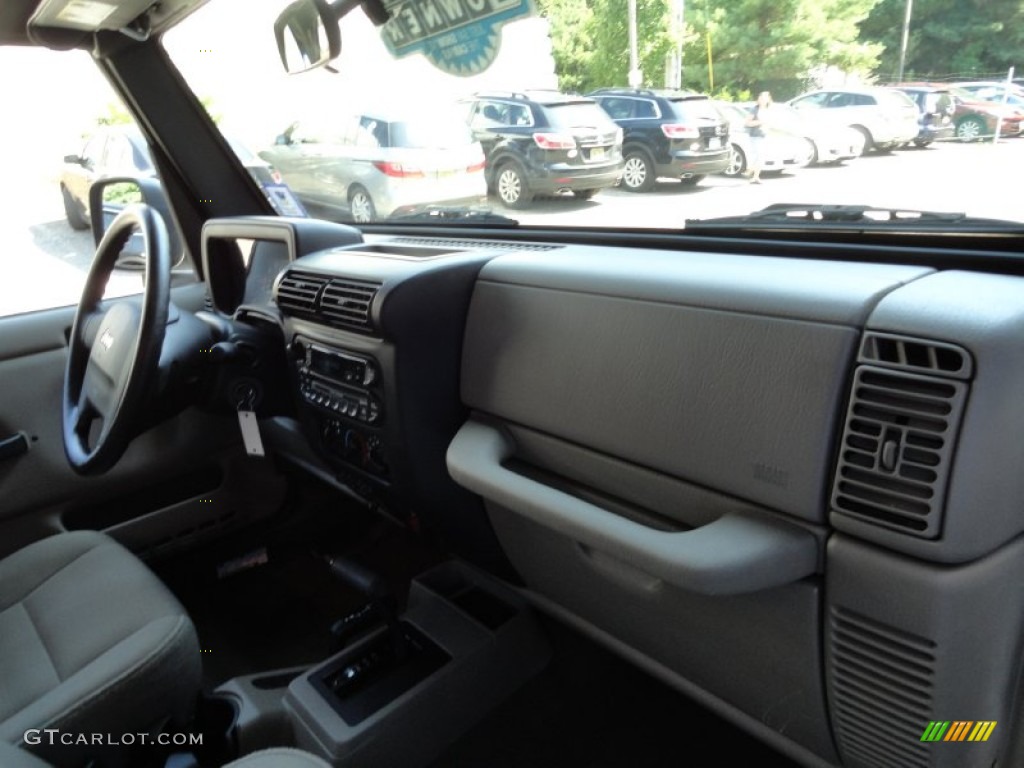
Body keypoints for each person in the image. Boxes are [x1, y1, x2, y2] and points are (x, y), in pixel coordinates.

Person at [745, 91, 773, 183]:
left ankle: (755, 176)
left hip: (765, 135)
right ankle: (750, 171)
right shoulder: (755, 109)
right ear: (759, 99)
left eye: (765, 98)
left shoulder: (769, 110)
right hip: (755, 135)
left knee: (761, 156)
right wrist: (760, 122)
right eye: (761, 98)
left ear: (768, 99)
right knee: (759, 155)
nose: (763, 100)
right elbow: (747, 123)